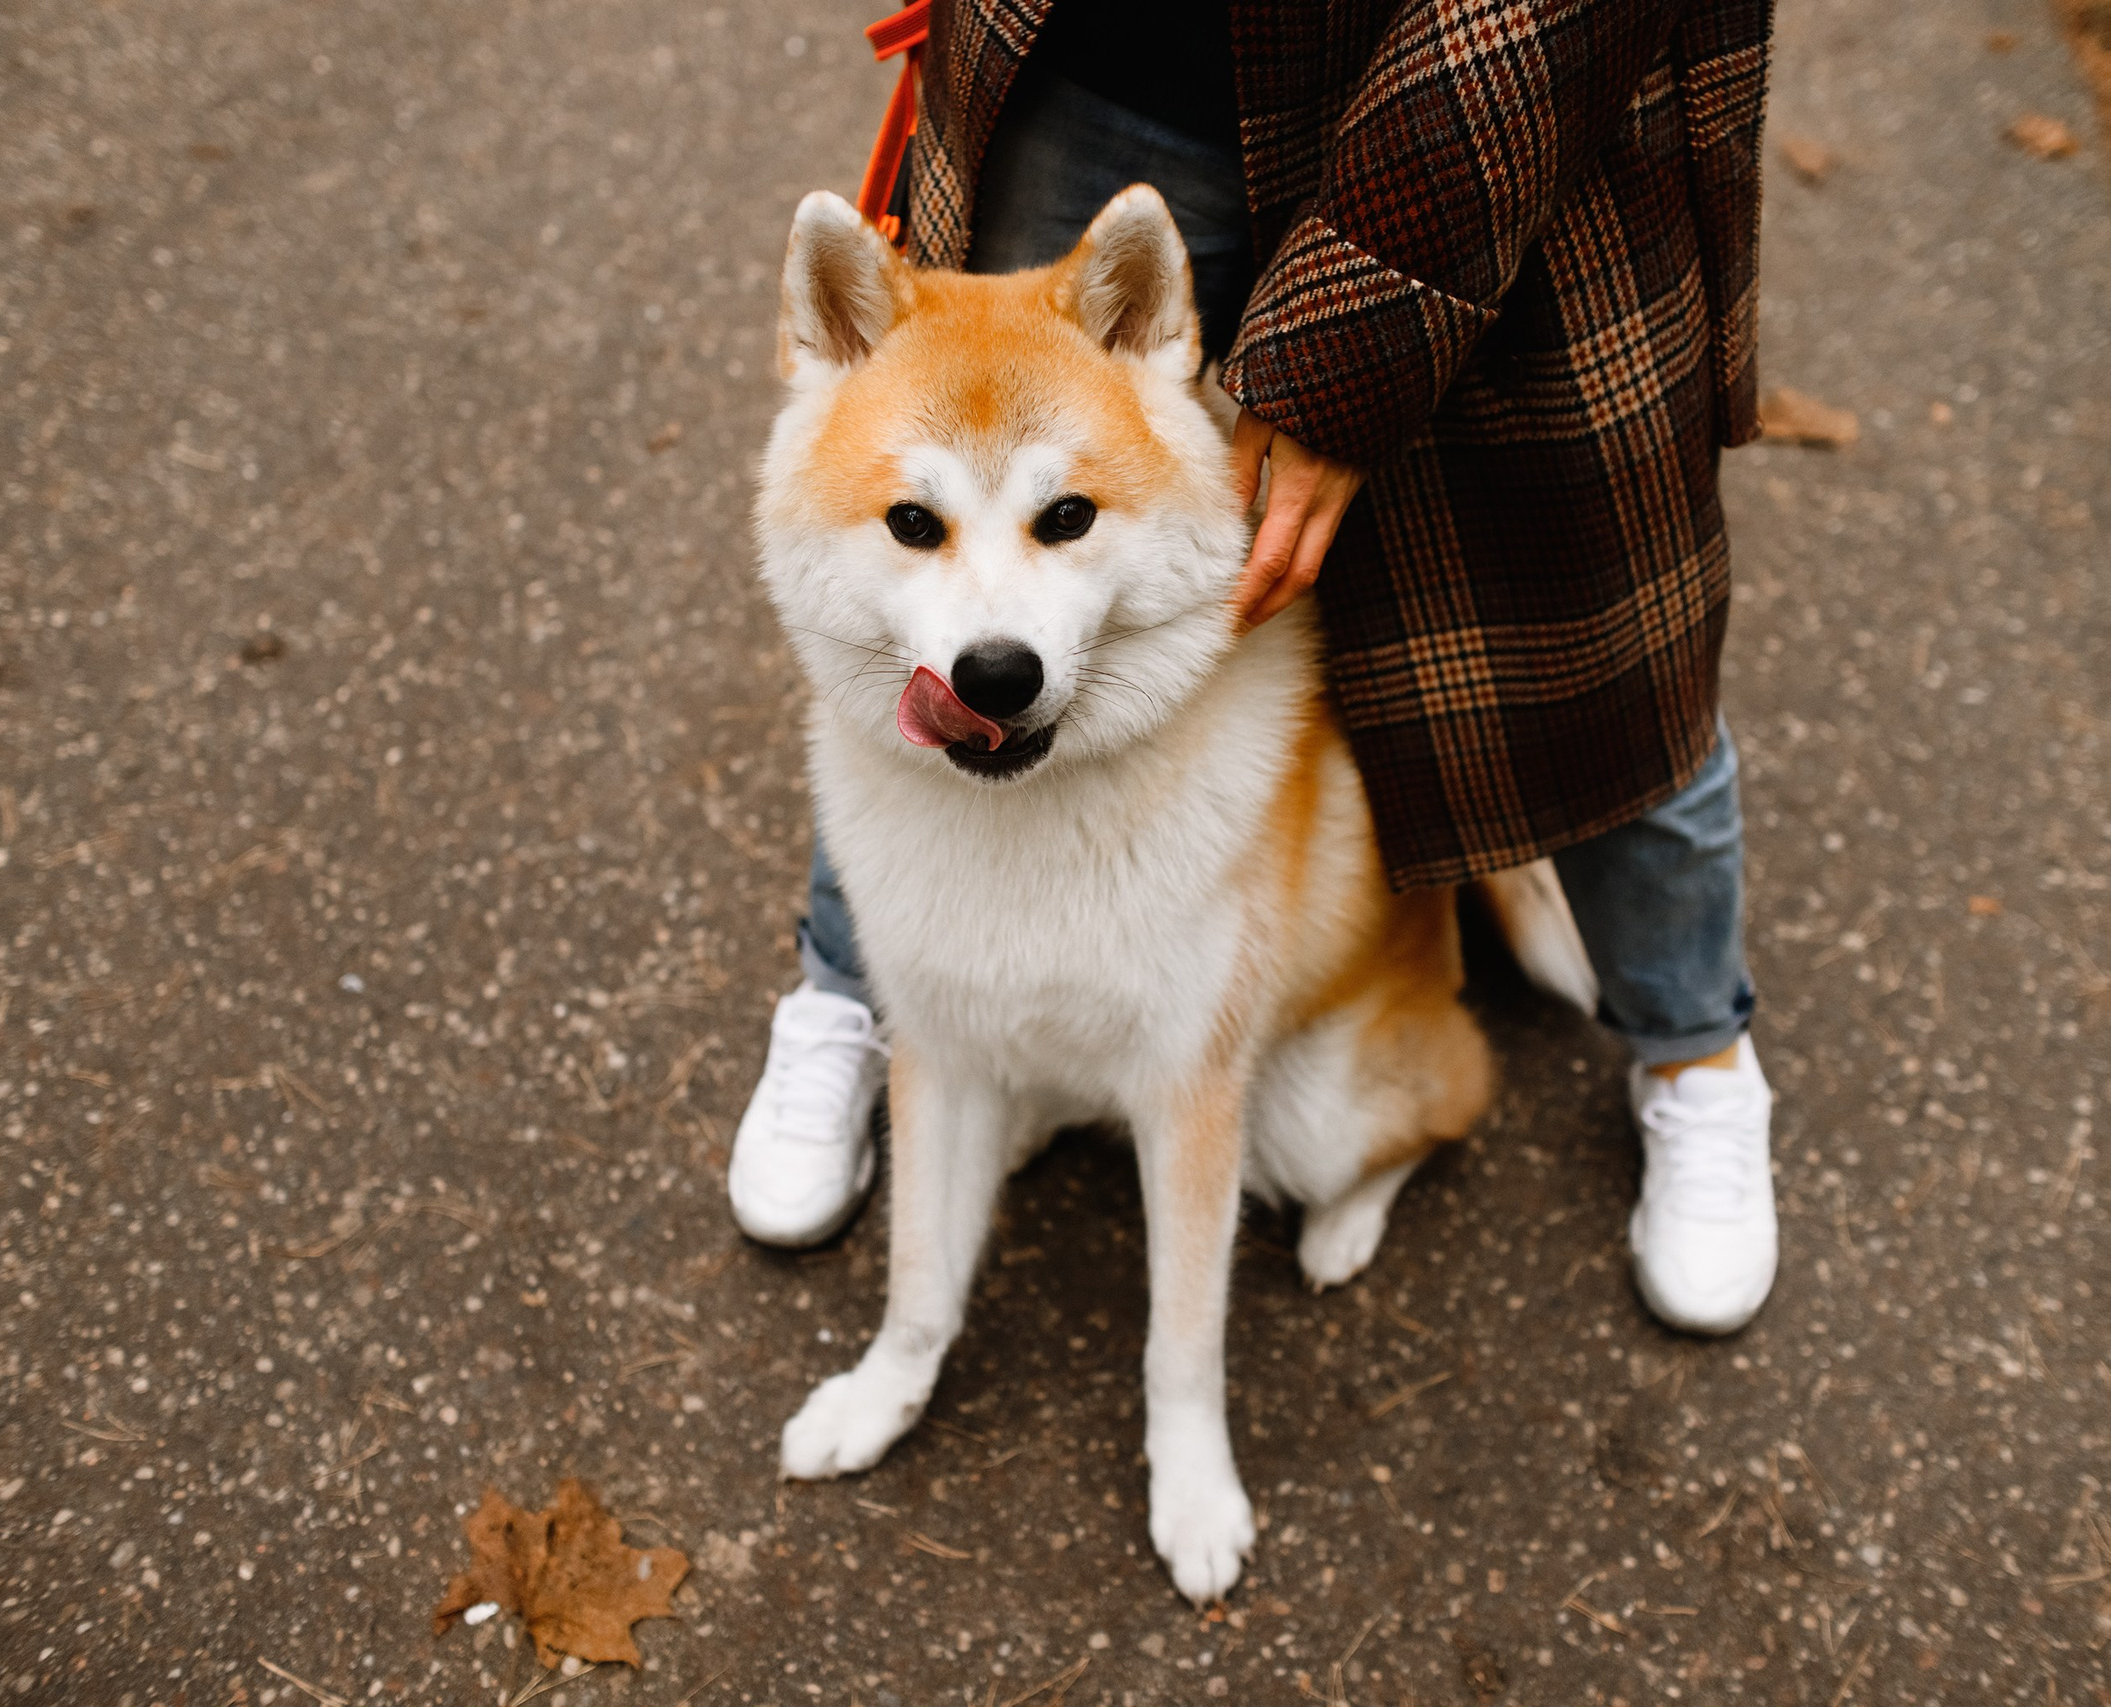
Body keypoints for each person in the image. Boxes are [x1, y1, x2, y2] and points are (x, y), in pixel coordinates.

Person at [728, 0, 1782, 1336]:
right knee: (946, 542)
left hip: (1506, 101)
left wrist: (1357, 349)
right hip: (1104, 51)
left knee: (1598, 638)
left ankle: (1695, 1047)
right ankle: (859, 987)